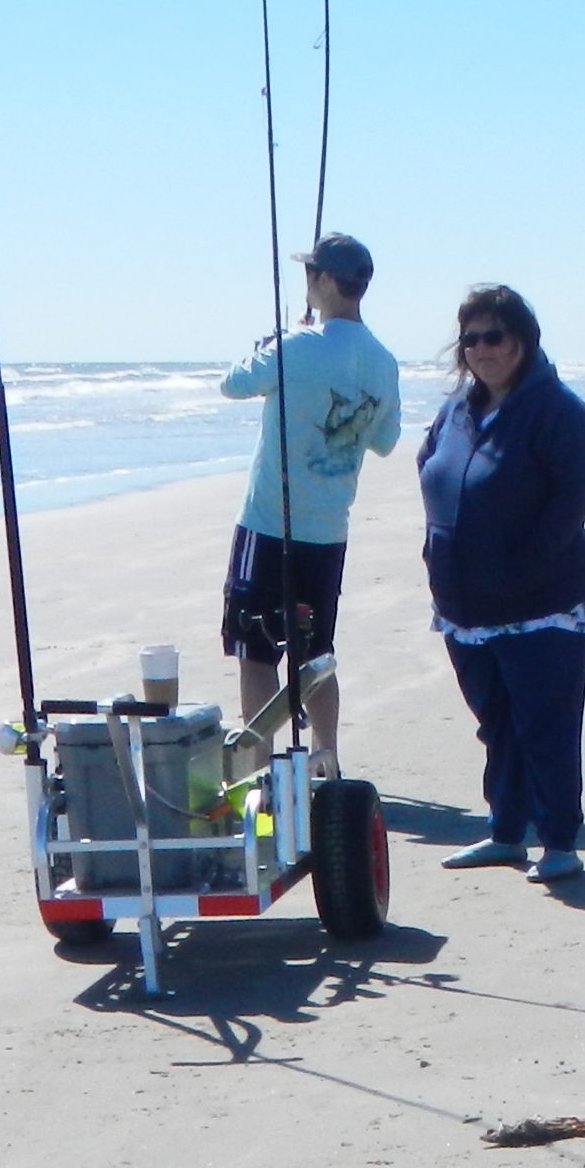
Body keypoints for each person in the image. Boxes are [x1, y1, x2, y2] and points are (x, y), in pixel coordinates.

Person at [416, 284, 585, 885]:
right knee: (494, 722)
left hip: (541, 605)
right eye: (470, 339)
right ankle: (504, 832)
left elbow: (574, 498)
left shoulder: (559, 411)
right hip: (464, 605)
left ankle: (558, 841)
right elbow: (431, 469)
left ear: (522, 340)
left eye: (493, 336)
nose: (481, 349)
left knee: (544, 722)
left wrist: (522, 565)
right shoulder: (456, 411)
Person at [218, 232, 402, 779]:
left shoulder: (294, 348)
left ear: (323, 281)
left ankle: (262, 762)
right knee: (314, 651)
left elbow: (231, 383)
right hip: (328, 530)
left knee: (255, 650)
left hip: (268, 523)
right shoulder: (383, 361)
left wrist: (275, 343)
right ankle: (326, 754)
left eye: (309, 275)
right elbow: (387, 441)